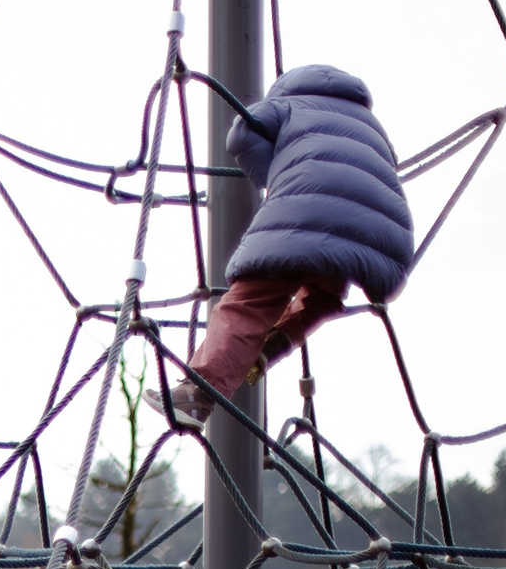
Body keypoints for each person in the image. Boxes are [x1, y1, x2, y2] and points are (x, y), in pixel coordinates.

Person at [163, 63, 414, 429]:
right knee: (324, 296)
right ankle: (271, 347)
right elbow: (387, 166)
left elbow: (242, 136)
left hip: (303, 211)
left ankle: (198, 393)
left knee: (250, 304)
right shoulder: (371, 124)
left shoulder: (287, 104)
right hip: (377, 236)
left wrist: (274, 176)